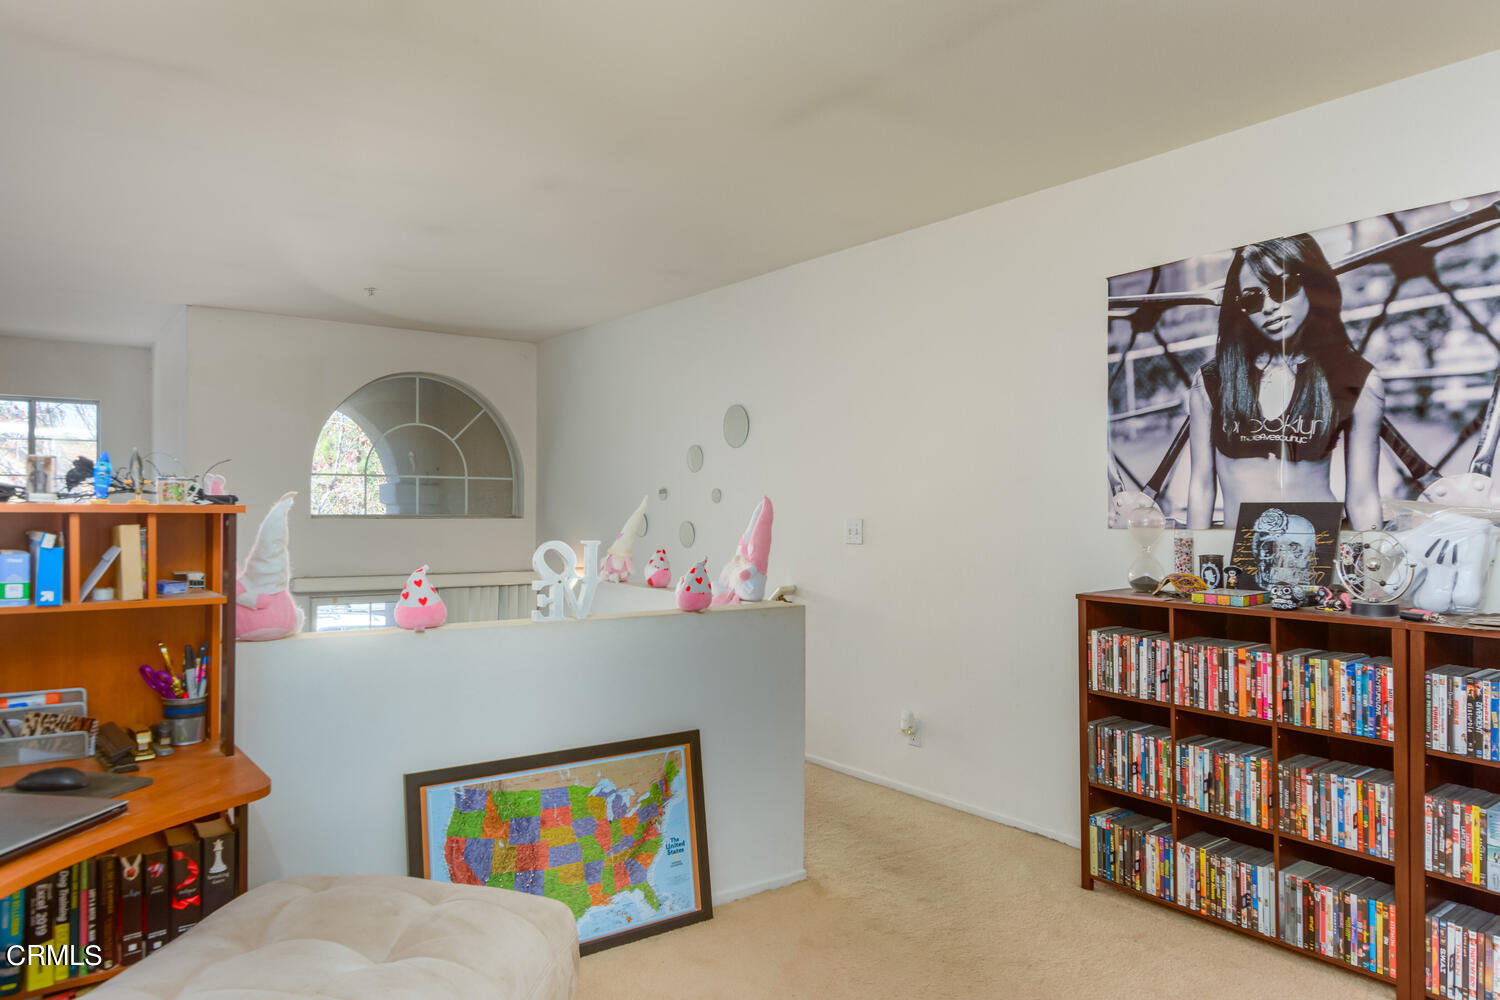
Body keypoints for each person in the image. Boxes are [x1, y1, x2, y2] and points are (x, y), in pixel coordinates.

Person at [1187, 234, 1384, 530]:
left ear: (1313, 286)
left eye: (1283, 287)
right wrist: (1193, 570)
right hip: (1239, 561)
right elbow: (1201, 488)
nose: (1268, 306)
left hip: (1318, 552)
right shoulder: (1212, 381)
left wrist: (1370, 571)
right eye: (1252, 299)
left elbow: (1363, 497)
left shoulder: (1357, 379)